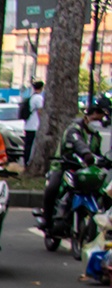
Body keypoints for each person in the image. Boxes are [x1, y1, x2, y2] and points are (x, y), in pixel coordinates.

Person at [40, 98, 112, 231]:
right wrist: (86, 154)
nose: (100, 122)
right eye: (98, 118)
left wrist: (106, 161)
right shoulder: (74, 129)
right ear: (90, 116)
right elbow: (77, 143)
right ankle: (47, 219)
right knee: (52, 188)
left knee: (104, 191)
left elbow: (97, 153)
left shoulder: (96, 135)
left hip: (86, 170)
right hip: (64, 165)